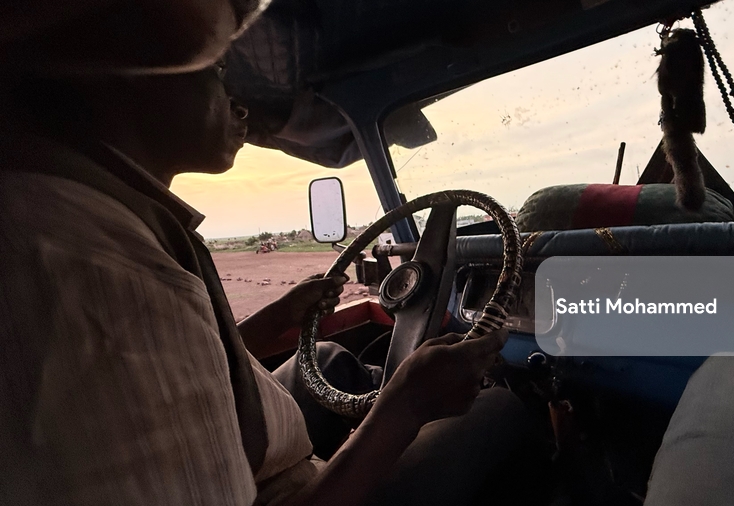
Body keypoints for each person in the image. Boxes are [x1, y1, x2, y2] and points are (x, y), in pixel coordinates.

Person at [0, 61, 539, 505]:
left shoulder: (119, 222)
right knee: (504, 410)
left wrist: (279, 317)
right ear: (126, 71)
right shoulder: (97, 261)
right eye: (213, 73)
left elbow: (183, 366)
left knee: (325, 356)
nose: (241, 105)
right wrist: (407, 406)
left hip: (262, 463)